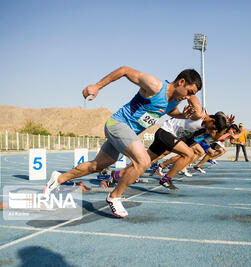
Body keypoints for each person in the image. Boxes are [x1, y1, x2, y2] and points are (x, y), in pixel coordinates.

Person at [44, 66, 202, 217]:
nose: (188, 97)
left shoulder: (174, 101)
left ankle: (58, 178)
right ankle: (114, 196)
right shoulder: (154, 85)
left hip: (128, 133)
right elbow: (124, 70)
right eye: (189, 92)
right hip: (117, 124)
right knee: (143, 161)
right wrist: (97, 86)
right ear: (181, 82)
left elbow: (171, 112)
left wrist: (183, 116)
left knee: (96, 166)